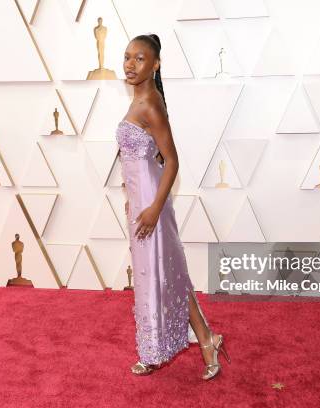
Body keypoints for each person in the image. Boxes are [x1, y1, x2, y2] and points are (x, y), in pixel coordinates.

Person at [116, 33, 230, 380]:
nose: (131, 64)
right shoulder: (138, 100)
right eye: (127, 57)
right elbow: (141, 159)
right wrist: (133, 200)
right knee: (170, 277)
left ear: (155, 65)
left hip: (153, 206)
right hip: (141, 203)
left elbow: (173, 161)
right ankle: (206, 339)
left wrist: (152, 208)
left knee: (163, 278)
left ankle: (160, 351)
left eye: (139, 59)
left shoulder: (149, 104)